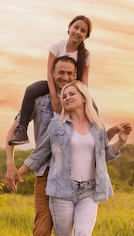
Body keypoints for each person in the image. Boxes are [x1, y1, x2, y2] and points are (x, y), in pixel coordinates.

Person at [6, 55, 127, 236]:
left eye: (70, 74)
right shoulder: (40, 102)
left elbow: (97, 143)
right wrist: (12, 167)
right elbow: (32, 144)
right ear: (51, 74)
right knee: (44, 233)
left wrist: (117, 137)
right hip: (48, 174)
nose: (65, 78)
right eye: (60, 73)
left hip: (83, 182)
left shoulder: (89, 109)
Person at [9, 15, 93, 146]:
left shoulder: (85, 55)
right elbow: (49, 72)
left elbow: (84, 80)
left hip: (72, 87)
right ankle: (22, 129)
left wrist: (81, 99)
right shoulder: (57, 46)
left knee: (90, 106)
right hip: (53, 84)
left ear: (86, 36)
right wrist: (54, 96)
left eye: (83, 31)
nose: (78, 32)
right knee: (31, 89)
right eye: (76, 27)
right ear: (69, 27)